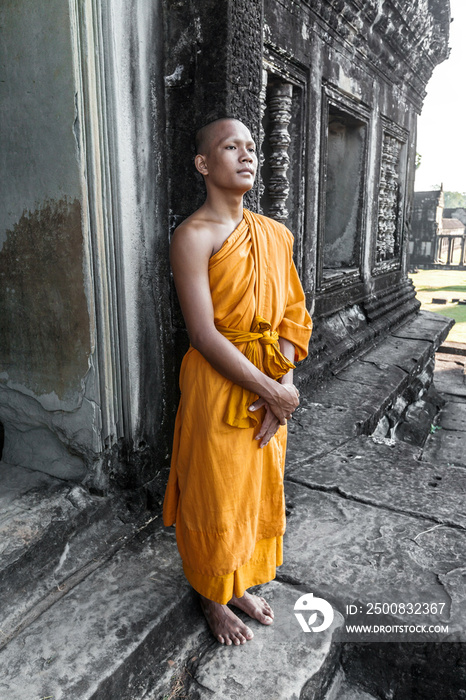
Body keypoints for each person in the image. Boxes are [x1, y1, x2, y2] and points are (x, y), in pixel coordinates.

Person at [163, 117, 312, 646]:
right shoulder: (193, 235)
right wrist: (272, 392)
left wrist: (283, 388)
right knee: (215, 491)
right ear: (205, 164)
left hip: (271, 383)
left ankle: (238, 581)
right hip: (218, 384)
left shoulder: (274, 235)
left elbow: (293, 314)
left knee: (252, 491)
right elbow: (203, 333)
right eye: (231, 146)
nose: (247, 154)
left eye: (251, 146)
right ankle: (210, 595)